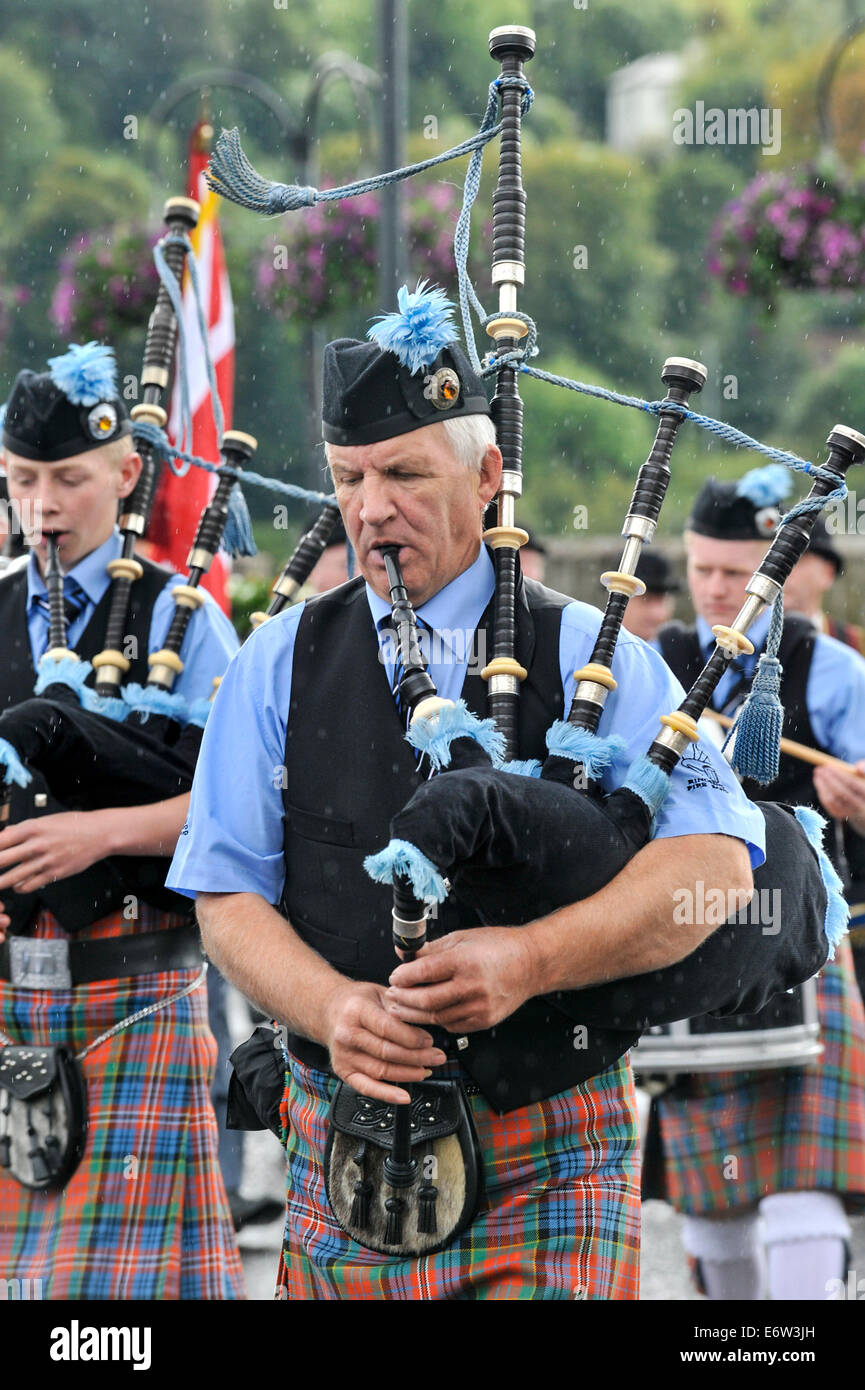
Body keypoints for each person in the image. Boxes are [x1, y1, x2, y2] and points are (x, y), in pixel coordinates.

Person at [168, 287, 764, 1301]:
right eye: (350, 477)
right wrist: (333, 1005)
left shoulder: (587, 648)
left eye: (403, 473)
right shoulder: (279, 661)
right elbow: (225, 895)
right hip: (342, 1135)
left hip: (550, 1137)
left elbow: (712, 865)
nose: (370, 507)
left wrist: (531, 958)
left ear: (488, 476)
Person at [0, 345, 245, 1299]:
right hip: (10, 999)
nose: (44, 505)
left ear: (127, 471)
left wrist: (100, 834)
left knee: (114, 1305)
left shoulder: (182, 619)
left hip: (133, 988)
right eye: (23, 480)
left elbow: (237, 807)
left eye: (68, 478)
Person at [649, 465, 865, 1301]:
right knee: (713, 1194)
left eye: (734, 574)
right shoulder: (657, 662)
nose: (711, 589)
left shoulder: (828, 669)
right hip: (686, 934)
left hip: (803, 942)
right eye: (700, 569)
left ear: (773, 576)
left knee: (800, 1182)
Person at [783, 514, 864, 654]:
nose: (779, 569)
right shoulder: (737, 643)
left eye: (795, 559)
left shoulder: (858, 646)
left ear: (828, 573)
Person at [618, 549, 680, 644]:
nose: (658, 614)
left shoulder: (684, 653)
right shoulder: (591, 652)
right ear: (618, 599)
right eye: (646, 600)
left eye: (662, 601)